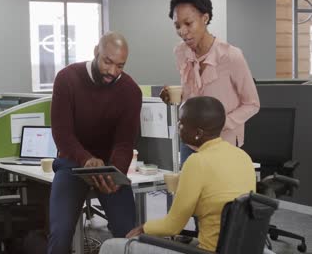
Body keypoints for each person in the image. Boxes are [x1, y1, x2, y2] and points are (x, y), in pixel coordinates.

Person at [99, 96, 257, 254]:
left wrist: (142, 228)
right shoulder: (243, 156)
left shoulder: (197, 162)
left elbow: (173, 226)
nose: (177, 126)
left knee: (110, 246)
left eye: (181, 122)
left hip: (210, 251)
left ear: (198, 133)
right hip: (241, 248)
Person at [48, 31, 142, 254]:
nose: (112, 71)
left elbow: (124, 142)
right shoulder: (67, 79)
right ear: (96, 52)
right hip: (72, 162)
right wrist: (87, 159)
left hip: (110, 166)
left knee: (128, 234)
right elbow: (62, 134)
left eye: (120, 65)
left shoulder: (130, 91)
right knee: (60, 233)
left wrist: (115, 171)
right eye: (108, 62)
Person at [159, 0, 260, 164]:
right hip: (190, 143)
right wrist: (177, 96)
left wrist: (220, 124)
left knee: (216, 191)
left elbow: (252, 104)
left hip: (223, 143)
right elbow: (195, 94)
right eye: (177, 26)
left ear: (205, 18)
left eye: (188, 23)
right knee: (188, 189)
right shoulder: (181, 52)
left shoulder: (231, 56)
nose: (182, 31)